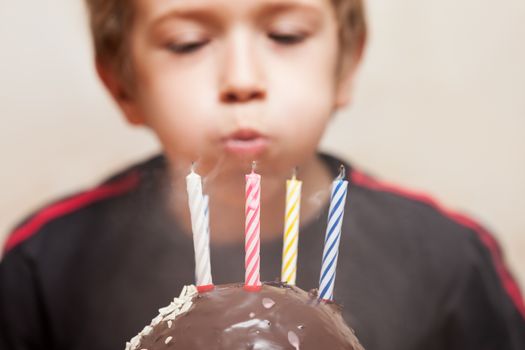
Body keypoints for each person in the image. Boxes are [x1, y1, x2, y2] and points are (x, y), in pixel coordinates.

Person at [1, 0, 524, 349]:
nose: (243, 79)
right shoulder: (44, 265)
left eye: (286, 34)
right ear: (121, 84)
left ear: (346, 62)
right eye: (187, 42)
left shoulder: (449, 258)